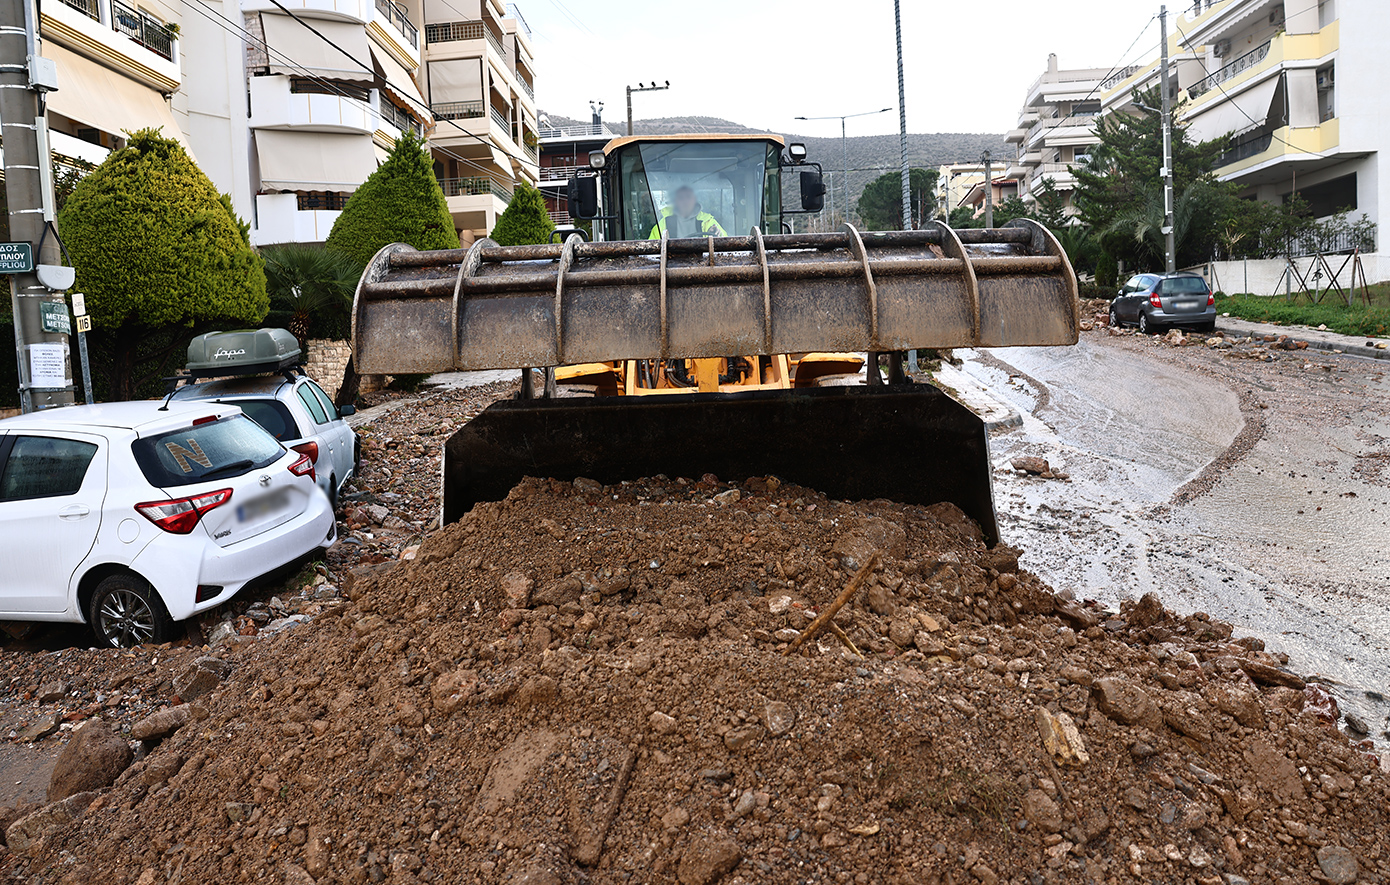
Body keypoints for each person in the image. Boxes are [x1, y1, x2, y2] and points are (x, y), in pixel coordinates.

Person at [648, 184, 727, 239]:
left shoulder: (708, 221)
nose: (685, 201)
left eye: (688, 197)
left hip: (704, 262)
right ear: (675, 201)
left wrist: (717, 234)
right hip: (671, 262)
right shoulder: (663, 224)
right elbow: (651, 249)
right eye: (681, 198)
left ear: (695, 200)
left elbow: (725, 242)